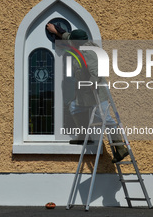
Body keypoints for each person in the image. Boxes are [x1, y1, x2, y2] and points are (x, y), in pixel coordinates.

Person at [46, 23, 129, 163]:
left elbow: (97, 72)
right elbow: (68, 37)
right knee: (74, 107)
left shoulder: (89, 52)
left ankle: (120, 148)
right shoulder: (80, 43)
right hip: (85, 93)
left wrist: (92, 82)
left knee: (106, 119)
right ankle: (84, 136)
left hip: (96, 91)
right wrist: (56, 31)